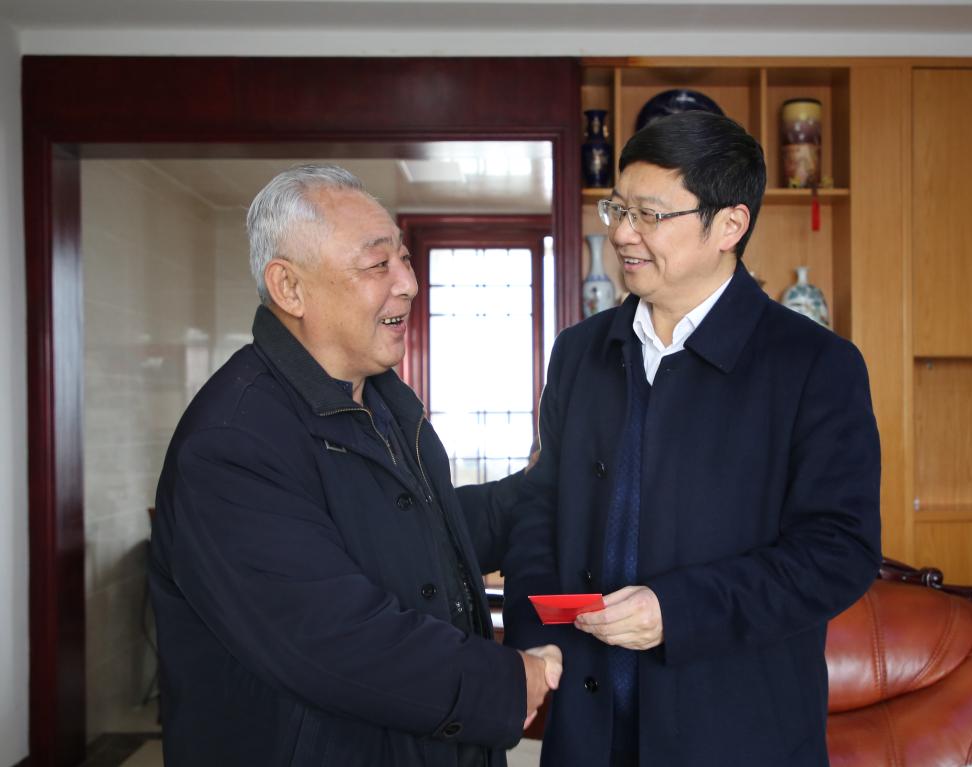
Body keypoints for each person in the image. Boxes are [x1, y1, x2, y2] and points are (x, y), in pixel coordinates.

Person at [501, 111, 882, 766]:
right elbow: (541, 506)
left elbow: (839, 551)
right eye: (619, 209)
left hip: (739, 735)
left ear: (729, 225)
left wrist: (678, 610)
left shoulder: (815, 365)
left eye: (649, 215)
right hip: (588, 731)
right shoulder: (579, 353)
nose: (623, 233)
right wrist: (537, 636)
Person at [148, 164, 561, 767]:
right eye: (377, 264)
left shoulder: (383, 403)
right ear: (290, 288)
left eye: (405, 259)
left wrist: (544, 488)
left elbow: (412, 537)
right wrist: (503, 682)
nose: (408, 284)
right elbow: (332, 638)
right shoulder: (232, 443)